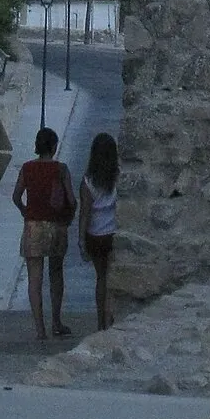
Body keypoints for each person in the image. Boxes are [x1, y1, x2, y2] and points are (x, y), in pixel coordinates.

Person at [11, 126, 75, 340]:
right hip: (56, 226)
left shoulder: (27, 168)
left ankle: (40, 329)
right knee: (56, 275)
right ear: (54, 147)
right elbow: (72, 200)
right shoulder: (61, 170)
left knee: (34, 279)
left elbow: (16, 195)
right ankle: (56, 321)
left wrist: (25, 212)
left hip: (33, 226)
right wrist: (69, 217)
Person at [77, 131, 120, 331]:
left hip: (95, 236)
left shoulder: (88, 182)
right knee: (112, 279)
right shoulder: (118, 177)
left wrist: (81, 241)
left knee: (101, 278)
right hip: (113, 234)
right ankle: (111, 319)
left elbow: (84, 213)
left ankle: (100, 323)